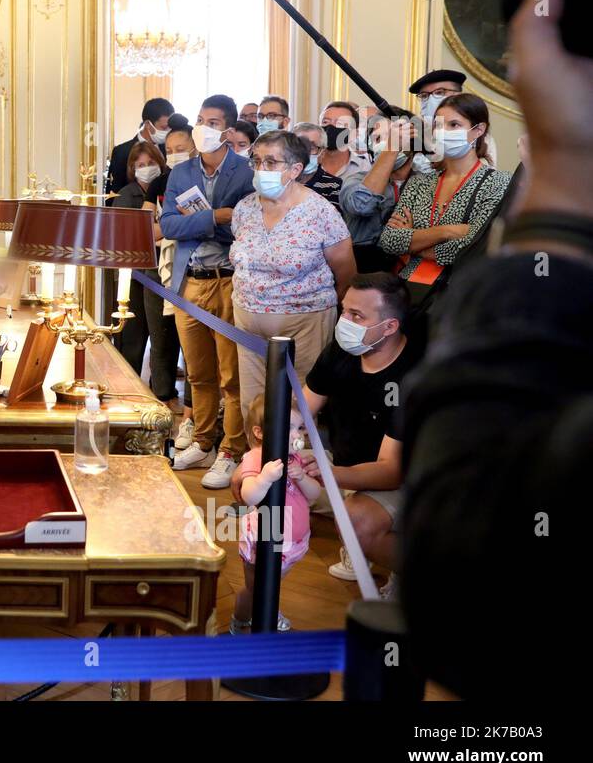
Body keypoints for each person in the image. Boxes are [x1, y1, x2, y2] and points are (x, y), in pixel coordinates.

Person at [400, 0, 586, 697]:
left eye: (450, 118)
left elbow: (464, 607)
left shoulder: (505, 189)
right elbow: (397, 233)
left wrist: (561, 182)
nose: (437, 128)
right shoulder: (420, 176)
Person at [298, 272, 422, 596]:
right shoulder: (342, 351)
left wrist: (330, 475)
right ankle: (358, 549)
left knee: (357, 522)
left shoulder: (413, 377)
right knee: (256, 476)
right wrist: (277, 444)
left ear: (390, 326)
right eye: (344, 311)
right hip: (343, 468)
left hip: (403, 482)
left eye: (356, 315)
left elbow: (391, 470)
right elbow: (298, 410)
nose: (344, 322)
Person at [230, 129, 355, 427]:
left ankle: (296, 469)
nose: (262, 169)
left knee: (299, 404)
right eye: (257, 161)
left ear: (295, 169)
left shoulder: (320, 212)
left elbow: (346, 271)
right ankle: (257, 467)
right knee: (253, 403)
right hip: (248, 317)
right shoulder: (245, 207)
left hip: (305, 319)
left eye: (271, 162)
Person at [160, 94, 254, 487]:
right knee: (198, 373)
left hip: (229, 280)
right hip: (190, 280)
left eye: (212, 122)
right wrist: (215, 216)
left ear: (229, 131)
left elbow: (246, 226)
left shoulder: (246, 172)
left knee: (231, 376)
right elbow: (168, 227)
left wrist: (200, 220)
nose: (203, 128)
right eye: (200, 119)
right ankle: (203, 440)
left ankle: (232, 450)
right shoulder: (182, 173)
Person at [378, 93, 512, 301]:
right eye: (439, 125)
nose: (443, 132)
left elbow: (474, 249)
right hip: (410, 292)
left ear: (478, 130)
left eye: (454, 125)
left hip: (463, 294)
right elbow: (390, 241)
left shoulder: (498, 183)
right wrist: (448, 231)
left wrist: (414, 242)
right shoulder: (420, 183)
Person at [231, 394, 320, 634]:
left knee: (271, 585)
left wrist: (302, 477)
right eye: (288, 427)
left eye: (300, 428)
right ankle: (240, 621)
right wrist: (265, 478)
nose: (297, 435)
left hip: (292, 543)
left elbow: (314, 494)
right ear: (260, 432)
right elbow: (249, 495)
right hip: (265, 539)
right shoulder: (257, 457)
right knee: (255, 588)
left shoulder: (296, 459)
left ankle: (267, 608)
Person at [141, 119, 193, 418]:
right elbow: (146, 229)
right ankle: (162, 393)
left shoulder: (198, 181)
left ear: (193, 149)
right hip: (157, 267)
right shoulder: (160, 183)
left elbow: (208, 224)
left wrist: (172, 226)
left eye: (180, 149)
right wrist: (180, 225)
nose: (174, 154)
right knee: (160, 335)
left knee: (192, 342)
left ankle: (193, 406)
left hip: (191, 267)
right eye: (169, 149)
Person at [339, 108, 426, 273]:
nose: (384, 144)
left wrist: (412, 236)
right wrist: (392, 149)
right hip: (363, 275)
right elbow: (361, 205)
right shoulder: (355, 180)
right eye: (378, 138)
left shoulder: (427, 184)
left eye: (393, 138)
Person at [111, 141, 166, 373]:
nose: (146, 168)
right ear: (133, 168)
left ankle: (161, 388)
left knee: (161, 334)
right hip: (133, 274)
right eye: (140, 164)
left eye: (151, 163)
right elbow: (124, 236)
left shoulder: (167, 189)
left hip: (161, 270)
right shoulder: (126, 195)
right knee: (133, 335)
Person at [108, 97, 173, 194]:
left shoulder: (169, 149)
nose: (168, 131)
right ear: (148, 124)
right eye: (164, 128)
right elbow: (114, 194)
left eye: (170, 127)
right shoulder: (122, 152)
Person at [294, 122, 342, 206]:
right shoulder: (280, 181)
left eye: (312, 147)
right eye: (299, 146)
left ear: (322, 153)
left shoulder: (334, 186)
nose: (305, 152)